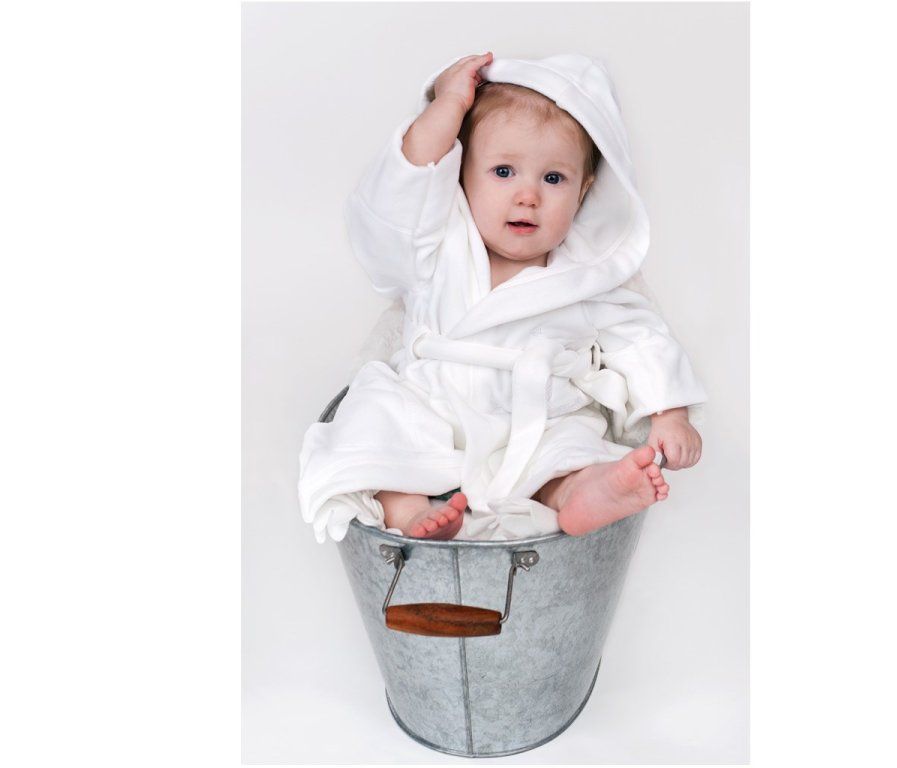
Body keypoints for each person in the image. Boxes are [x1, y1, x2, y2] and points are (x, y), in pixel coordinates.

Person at [299, 52, 707, 542]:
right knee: (376, 418)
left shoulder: (588, 276)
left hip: (535, 419)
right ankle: (407, 511)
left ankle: (580, 492)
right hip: (434, 404)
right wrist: (448, 105)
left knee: (569, 446)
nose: (528, 196)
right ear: (461, 174)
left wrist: (670, 413)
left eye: (553, 178)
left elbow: (642, 338)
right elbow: (397, 200)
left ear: (583, 192)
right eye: (503, 171)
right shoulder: (436, 244)